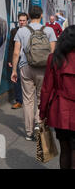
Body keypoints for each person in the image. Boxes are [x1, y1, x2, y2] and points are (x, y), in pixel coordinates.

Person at [11, 5, 56, 141]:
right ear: (41, 15)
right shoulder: (49, 30)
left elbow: (16, 52)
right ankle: (39, 124)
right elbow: (53, 53)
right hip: (44, 68)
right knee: (41, 98)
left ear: (29, 16)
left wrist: (14, 70)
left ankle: (29, 132)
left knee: (28, 99)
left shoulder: (22, 31)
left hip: (26, 67)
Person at [39, 25, 75, 169]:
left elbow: (47, 88)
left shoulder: (53, 58)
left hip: (60, 111)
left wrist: (42, 112)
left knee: (65, 149)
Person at [7, 12, 28, 109]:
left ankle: (28, 100)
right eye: (20, 20)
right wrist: (10, 59)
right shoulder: (14, 31)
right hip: (17, 58)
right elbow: (11, 46)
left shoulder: (30, 31)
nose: (22, 22)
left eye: (24, 20)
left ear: (27, 21)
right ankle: (19, 101)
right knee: (16, 79)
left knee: (28, 80)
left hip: (29, 59)